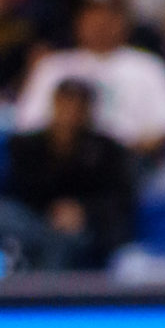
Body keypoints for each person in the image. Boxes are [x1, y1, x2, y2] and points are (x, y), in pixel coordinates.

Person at [15, 0, 165, 155]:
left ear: (125, 22)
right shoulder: (53, 66)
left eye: (109, 18)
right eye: (93, 17)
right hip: (61, 160)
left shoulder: (149, 66)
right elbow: (29, 123)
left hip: (126, 161)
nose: (101, 25)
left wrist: (124, 153)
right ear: (79, 21)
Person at [0, 79, 135, 270]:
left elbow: (119, 196)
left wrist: (83, 211)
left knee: (65, 240)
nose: (70, 112)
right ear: (55, 104)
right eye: (66, 103)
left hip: (82, 225)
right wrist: (51, 211)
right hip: (34, 218)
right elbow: (19, 189)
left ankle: (49, 287)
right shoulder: (25, 145)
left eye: (78, 106)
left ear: (89, 110)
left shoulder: (107, 150)